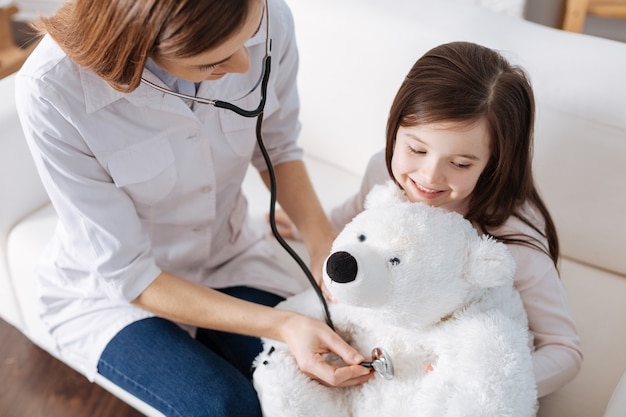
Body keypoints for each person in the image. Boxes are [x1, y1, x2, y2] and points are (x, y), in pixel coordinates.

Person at [15, 0, 373, 416]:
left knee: (303, 389)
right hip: (114, 296)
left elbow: (276, 145)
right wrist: (285, 324)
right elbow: (132, 276)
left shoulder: (268, 15)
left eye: (249, 40)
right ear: (139, 45)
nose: (243, 64)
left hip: (227, 257)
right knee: (225, 406)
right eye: (214, 62)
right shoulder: (53, 88)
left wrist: (324, 249)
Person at [272, 41, 583, 398]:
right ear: (394, 130)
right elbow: (356, 219)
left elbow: (565, 350)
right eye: (416, 149)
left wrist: (478, 381)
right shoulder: (382, 173)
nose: (430, 176)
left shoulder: (510, 237)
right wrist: (308, 225)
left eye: (461, 164)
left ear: (494, 164)